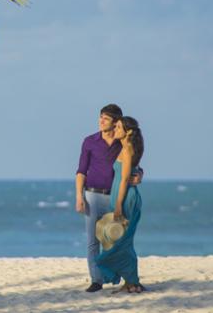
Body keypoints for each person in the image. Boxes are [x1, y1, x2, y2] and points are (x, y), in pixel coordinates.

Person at [75, 104, 141, 293]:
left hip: (115, 198)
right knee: (92, 241)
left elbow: (134, 164)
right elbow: (81, 171)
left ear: (116, 122)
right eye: (100, 117)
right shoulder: (89, 141)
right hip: (92, 196)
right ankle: (96, 280)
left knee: (116, 239)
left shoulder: (123, 141)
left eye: (105, 118)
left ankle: (118, 276)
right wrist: (79, 196)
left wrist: (140, 175)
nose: (100, 121)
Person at [96, 116, 145, 293]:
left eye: (118, 127)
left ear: (128, 131)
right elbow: (135, 169)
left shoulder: (128, 149)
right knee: (120, 240)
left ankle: (133, 282)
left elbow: (125, 179)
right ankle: (130, 282)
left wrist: (117, 206)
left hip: (124, 198)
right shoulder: (125, 147)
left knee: (123, 242)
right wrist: (140, 173)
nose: (115, 130)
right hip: (120, 196)